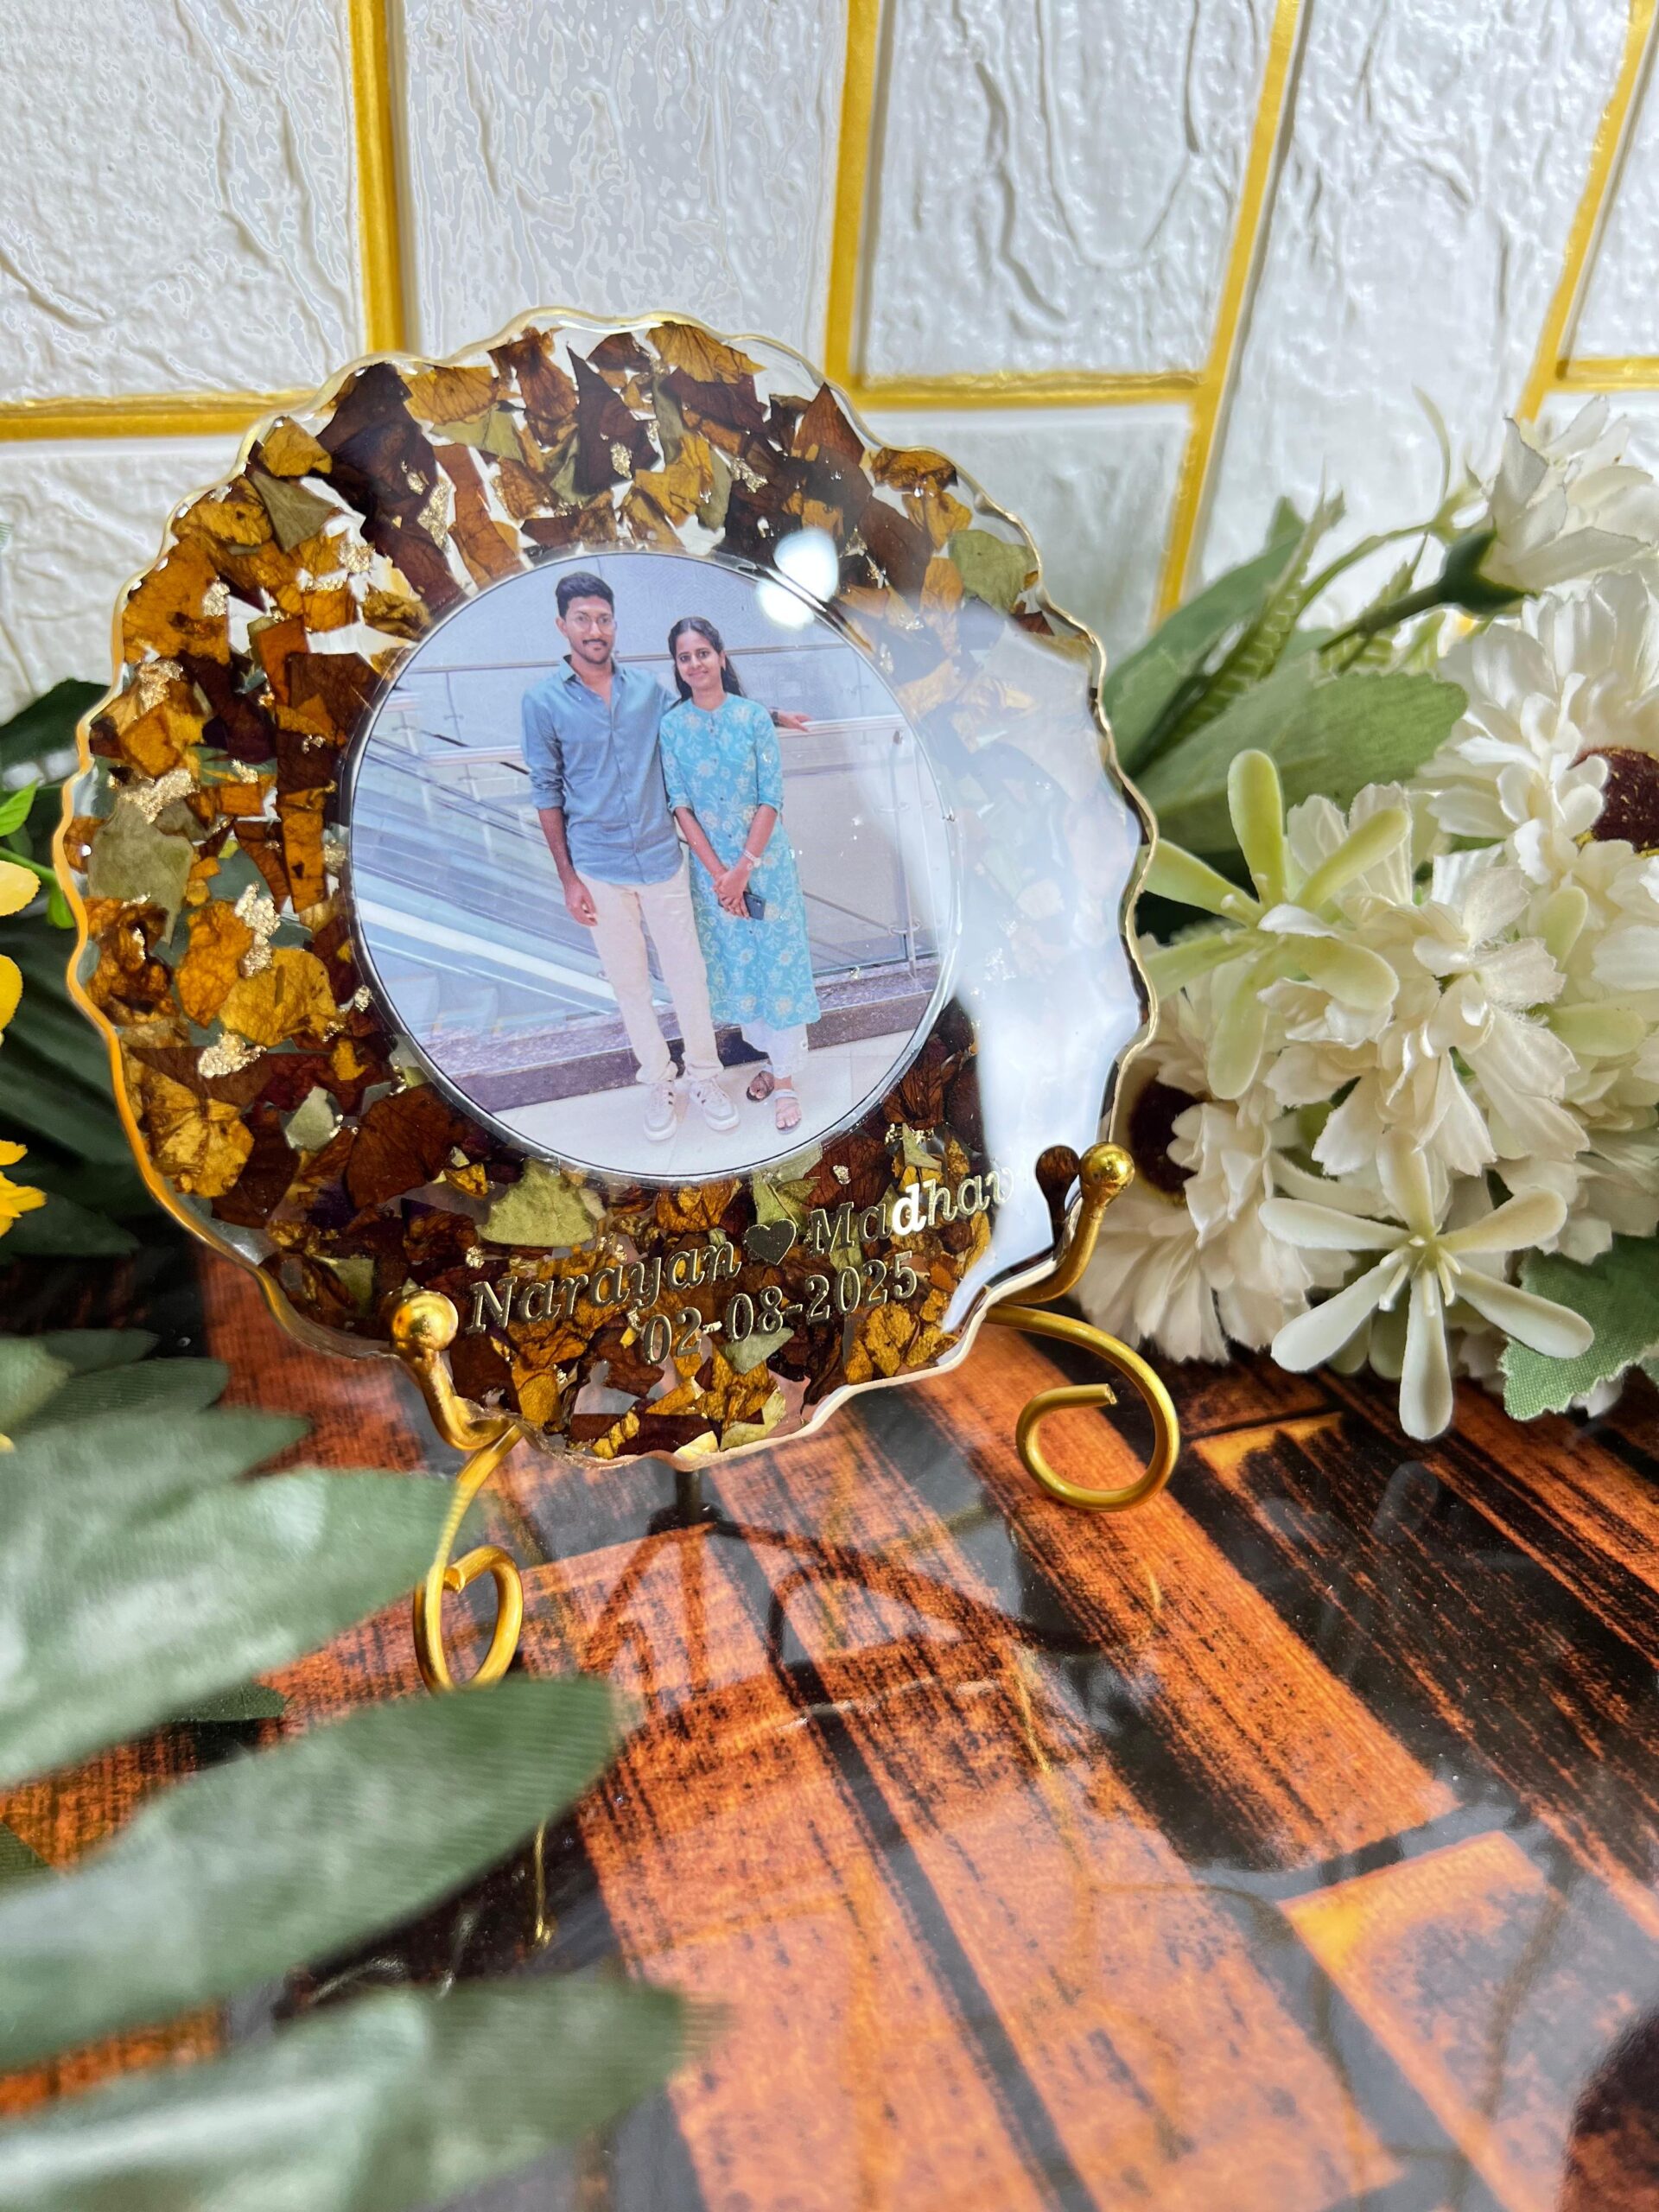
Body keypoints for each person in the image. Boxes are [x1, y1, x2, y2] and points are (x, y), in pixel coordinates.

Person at [520, 571, 802, 1143]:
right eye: (582, 619)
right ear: (562, 625)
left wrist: (770, 715)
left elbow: (708, 705)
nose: (594, 629)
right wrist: (568, 878)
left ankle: (705, 1078)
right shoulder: (542, 702)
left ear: (614, 624)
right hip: (597, 868)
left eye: (603, 618)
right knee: (629, 984)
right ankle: (658, 1082)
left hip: (662, 861)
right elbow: (545, 790)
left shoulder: (647, 692)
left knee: (689, 977)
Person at [658, 617, 821, 1134]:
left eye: (703, 653)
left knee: (778, 965)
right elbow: (680, 805)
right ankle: (774, 1064)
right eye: (685, 657)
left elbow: (771, 796)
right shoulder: (672, 726)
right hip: (714, 878)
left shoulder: (751, 718)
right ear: (677, 666)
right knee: (742, 968)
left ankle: (786, 1081)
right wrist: (720, 877)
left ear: (721, 657)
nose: (695, 664)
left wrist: (743, 868)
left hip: (765, 865)